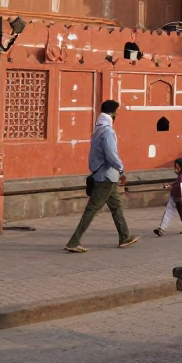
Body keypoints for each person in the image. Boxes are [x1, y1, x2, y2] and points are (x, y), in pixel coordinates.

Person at [65, 100, 138, 252]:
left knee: (116, 206)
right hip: (106, 176)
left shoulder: (98, 129)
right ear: (112, 113)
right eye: (117, 111)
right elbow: (111, 154)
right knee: (92, 209)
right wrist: (122, 170)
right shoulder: (108, 131)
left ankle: (125, 236)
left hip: (105, 176)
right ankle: (73, 241)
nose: (118, 114)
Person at [154, 157, 182, 236]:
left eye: (176, 165)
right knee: (179, 212)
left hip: (176, 196)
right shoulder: (181, 174)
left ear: (180, 166)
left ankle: (161, 228)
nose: (175, 167)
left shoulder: (181, 175)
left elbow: (179, 184)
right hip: (177, 196)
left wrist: (171, 186)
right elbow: (178, 183)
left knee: (169, 211)